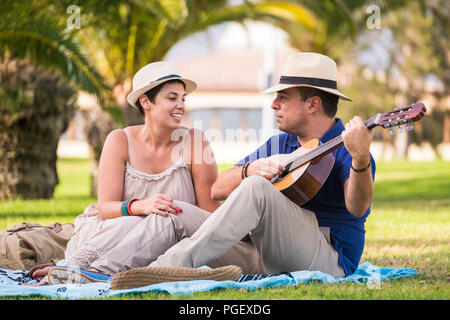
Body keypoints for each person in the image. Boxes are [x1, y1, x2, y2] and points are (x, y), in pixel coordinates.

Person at [49, 52, 377, 288]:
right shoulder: (281, 144)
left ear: (313, 104)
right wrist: (249, 169)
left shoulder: (349, 146)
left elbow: (357, 207)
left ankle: (166, 267)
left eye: (283, 97)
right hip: (263, 253)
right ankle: (100, 271)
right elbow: (217, 189)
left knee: (258, 189)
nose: (274, 104)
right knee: (176, 211)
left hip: (327, 258)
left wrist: (361, 160)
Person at [30, 61, 232, 285]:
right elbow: (105, 208)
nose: (181, 106)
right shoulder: (120, 140)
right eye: (172, 98)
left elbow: (208, 212)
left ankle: (78, 272)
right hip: (113, 234)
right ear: (146, 101)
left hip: (170, 241)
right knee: (135, 221)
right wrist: (140, 206)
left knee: (156, 219)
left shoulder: (195, 141)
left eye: (183, 99)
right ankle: (76, 268)